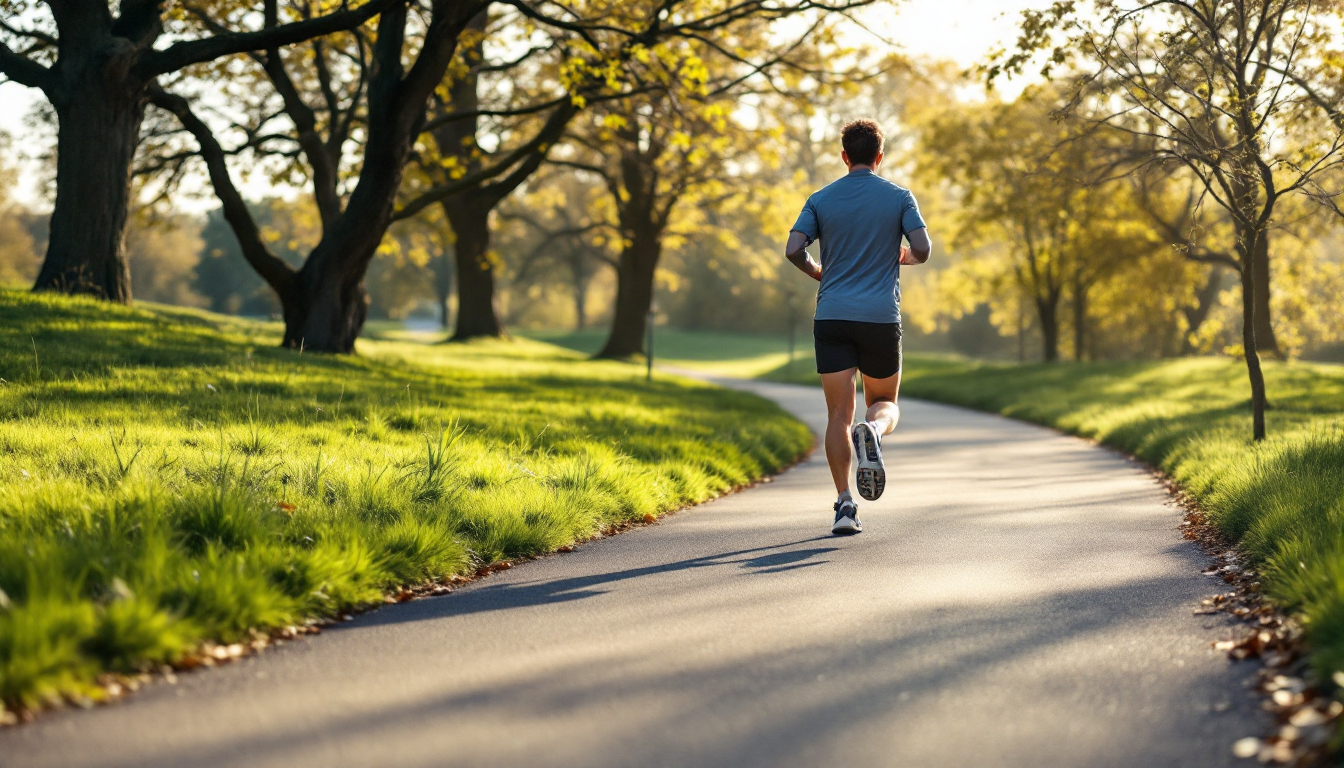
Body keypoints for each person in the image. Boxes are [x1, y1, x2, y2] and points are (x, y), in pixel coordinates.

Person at [783, 118, 932, 536]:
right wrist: (905, 257)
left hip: (831, 315)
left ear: (845, 156)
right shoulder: (899, 197)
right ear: (879, 157)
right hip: (880, 317)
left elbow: (794, 248)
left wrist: (817, 272)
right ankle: (875, 430)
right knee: (883, 403)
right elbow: (922, 248)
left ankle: (845, 505)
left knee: (837, 413)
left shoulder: (820, 198)